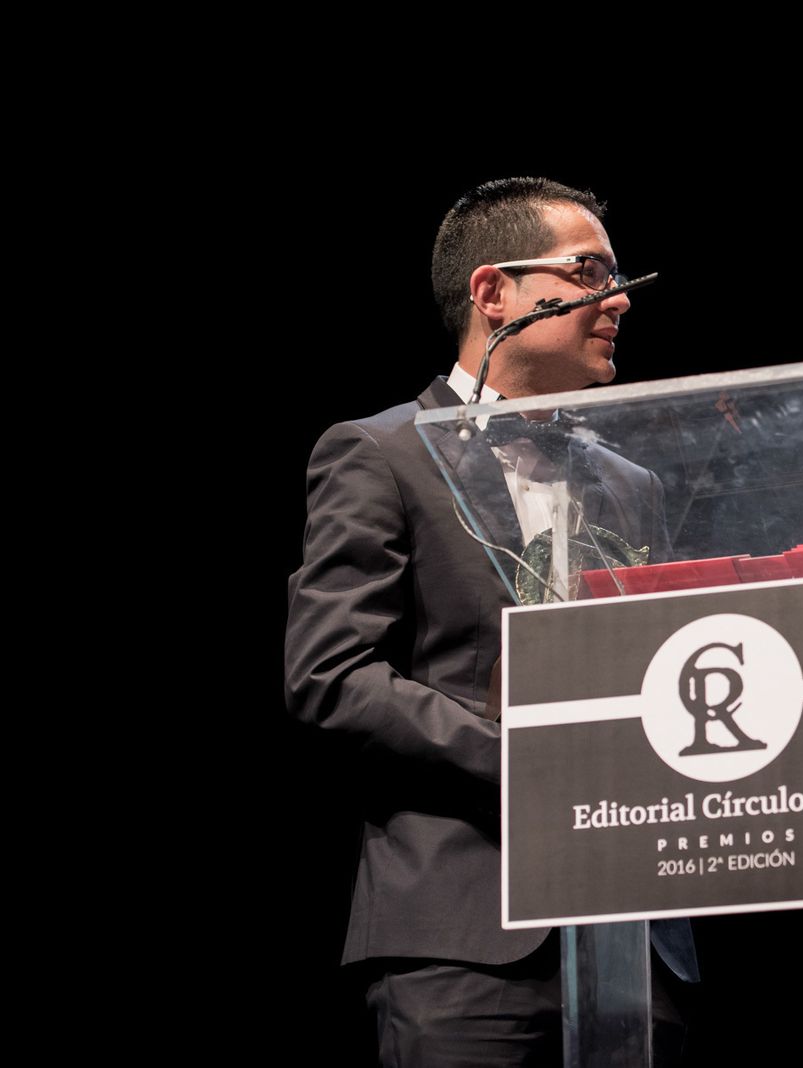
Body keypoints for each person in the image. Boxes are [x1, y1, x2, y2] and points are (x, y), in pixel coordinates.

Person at [285, 177, 695, 1066]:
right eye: (588, 272)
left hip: (631, 931)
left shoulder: (634, 484)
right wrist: (520, 758)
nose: (618, 299)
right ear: (491, 291)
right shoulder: (381, 453)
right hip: (463, 935)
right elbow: (332, 677)